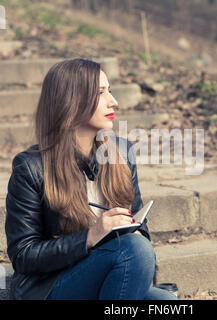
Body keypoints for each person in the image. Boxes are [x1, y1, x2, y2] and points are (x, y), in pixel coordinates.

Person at [5, 58, 178, 300]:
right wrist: (91, 236)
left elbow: (139, 224)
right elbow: (23, 255)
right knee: (134, 250)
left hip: (109, 269)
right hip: (52, 285)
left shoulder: (121, 153)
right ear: (71, 102)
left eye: (110, 90)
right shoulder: (30, 167)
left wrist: (137, 231)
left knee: (165, 300)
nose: (113, 101)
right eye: (100, 93)